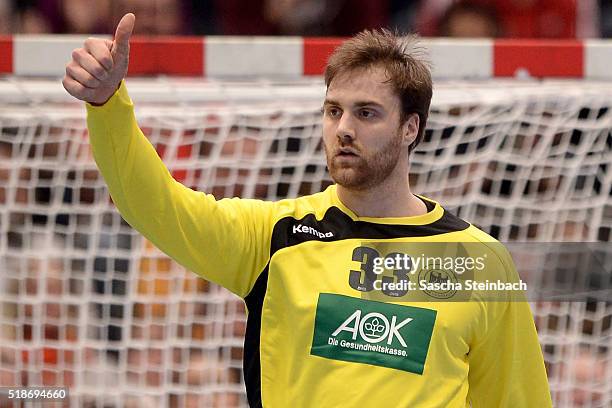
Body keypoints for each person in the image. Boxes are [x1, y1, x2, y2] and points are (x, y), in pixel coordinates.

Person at [62, 13, 552, 407]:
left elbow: (517, 398)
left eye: (366, 113)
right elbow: (154, 205)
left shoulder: (477, 261)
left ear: (410, 129)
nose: (342, 128)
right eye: (333, 110)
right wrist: (108, 106)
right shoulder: (276, 236)